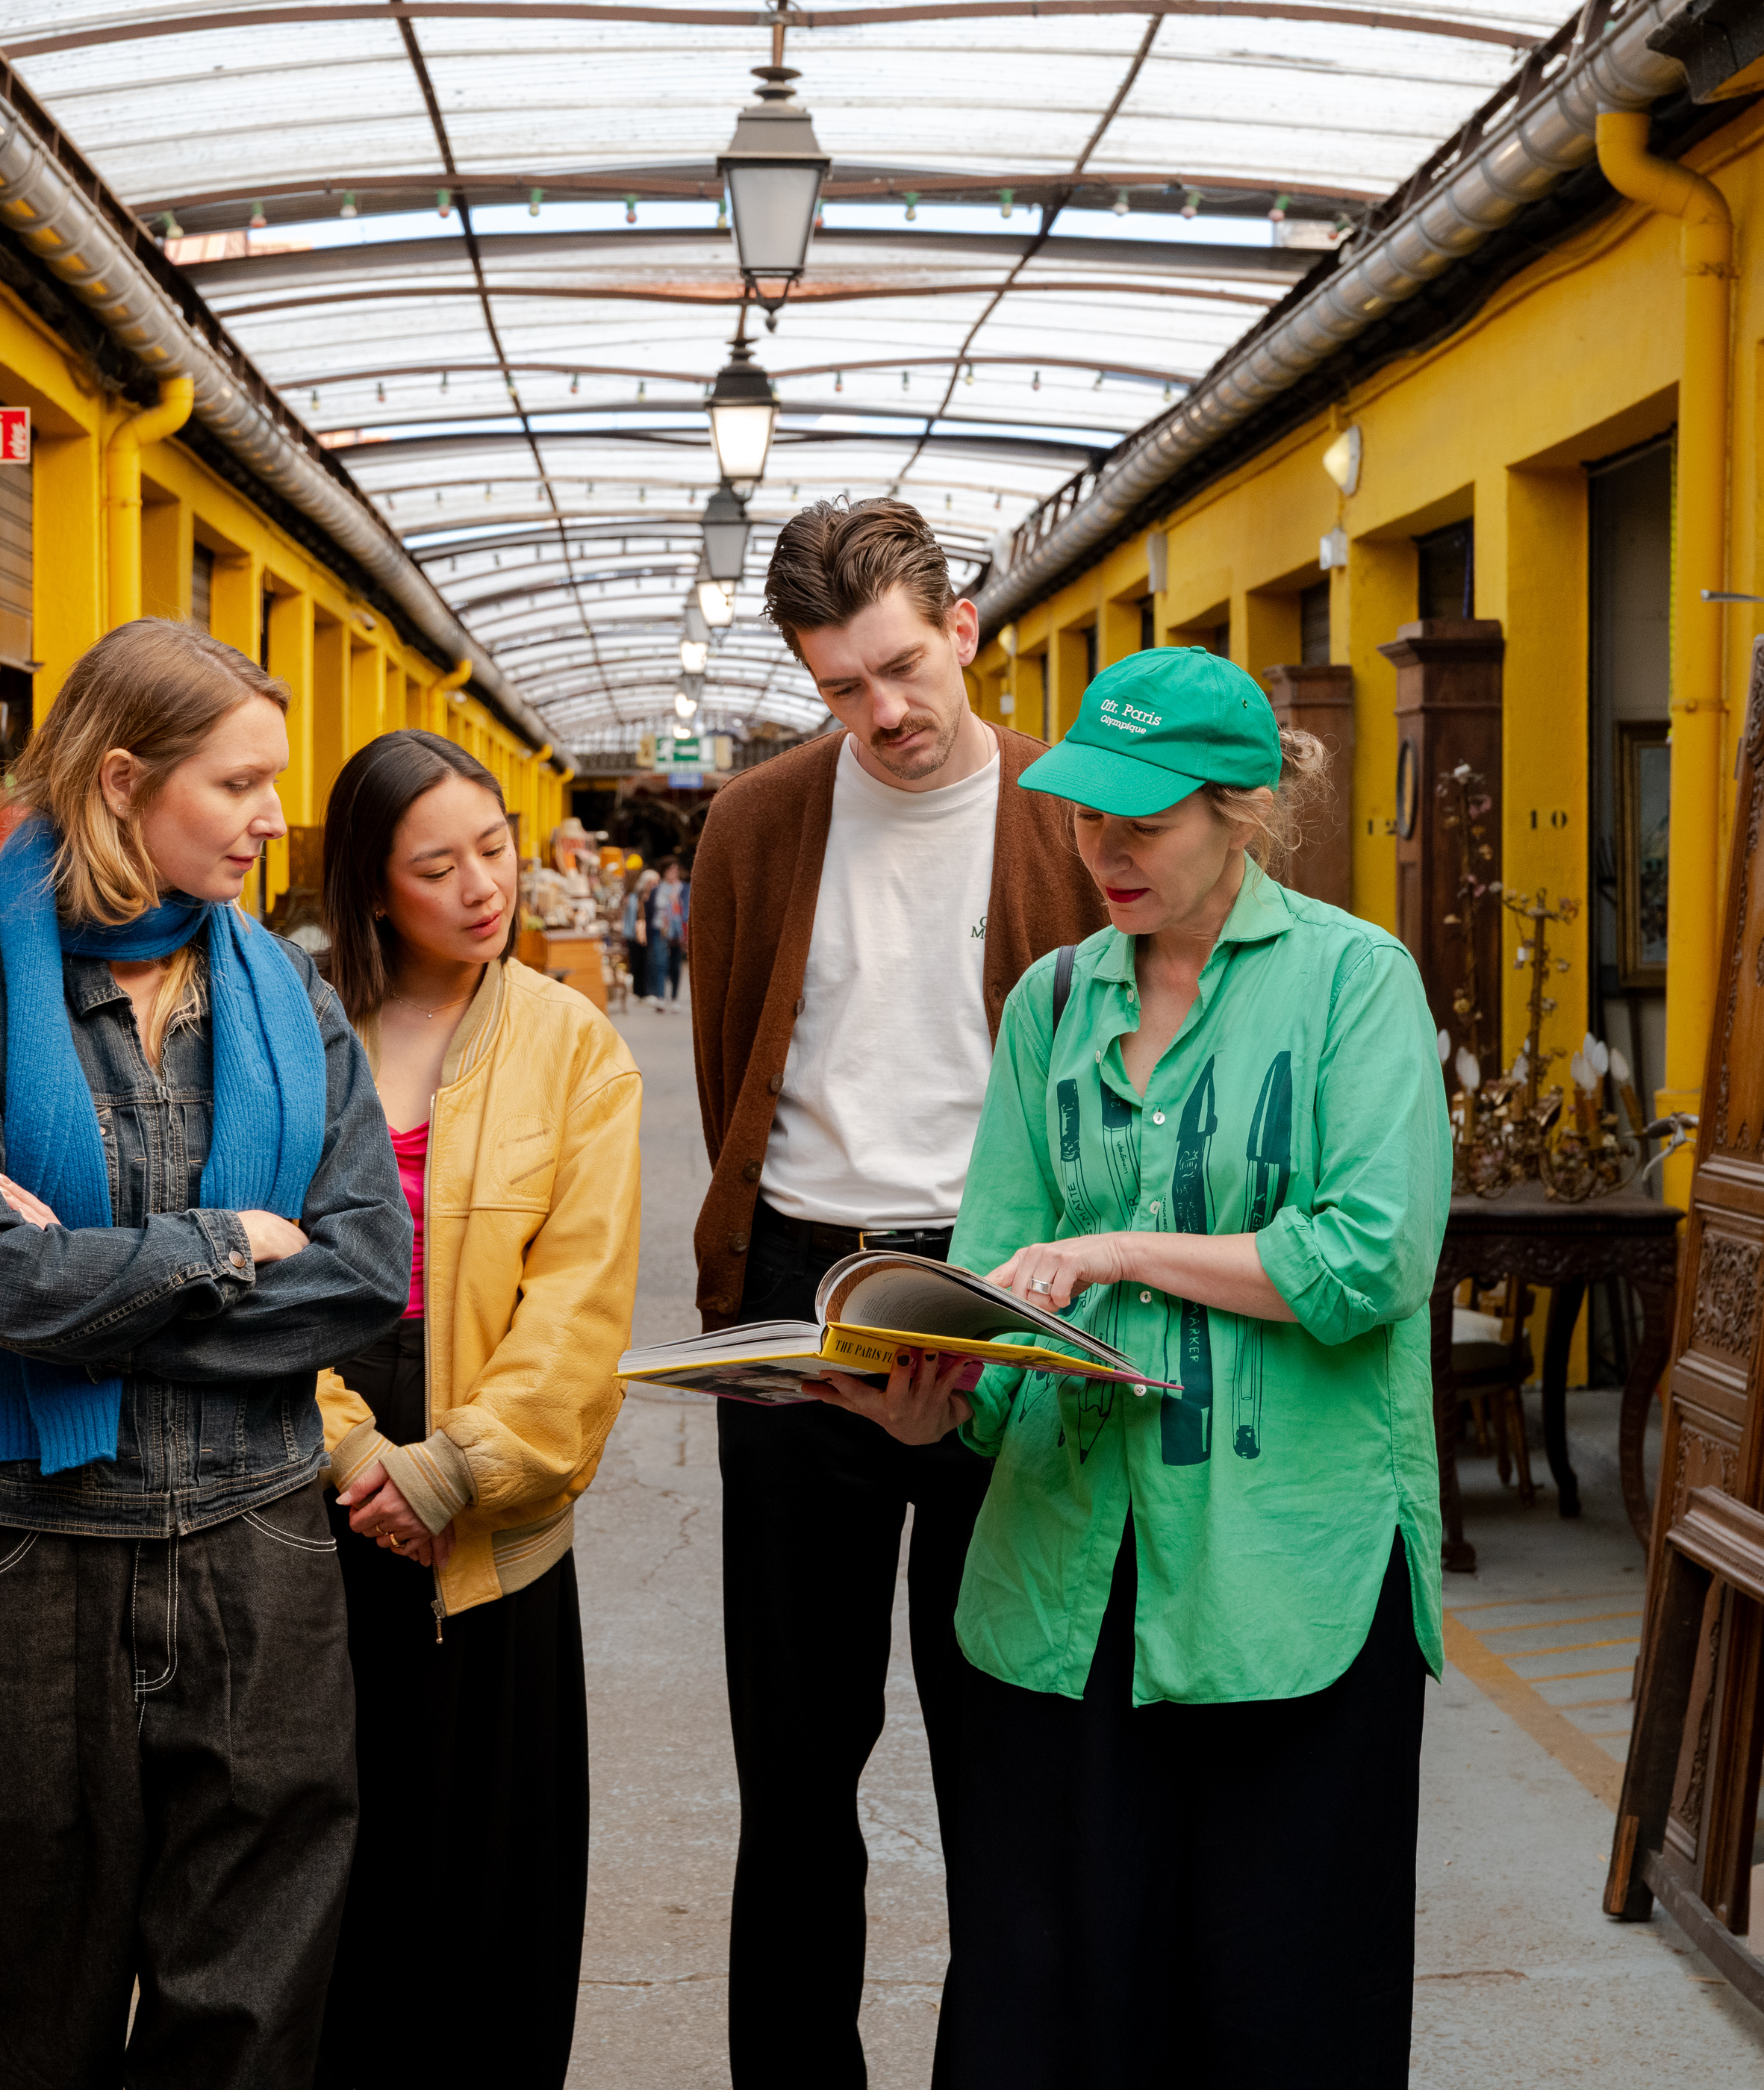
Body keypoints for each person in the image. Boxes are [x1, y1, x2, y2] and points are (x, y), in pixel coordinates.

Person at [816, 646, 1447, 2088]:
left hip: (1291, 1570)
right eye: (1088, 815)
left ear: (1243, 813)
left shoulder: (1356, 983)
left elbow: (1367, 1259)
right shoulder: (1049, 1002)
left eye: (1144, 821)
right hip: (1069, 1572)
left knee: (1278, 1988)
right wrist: (936, 1401)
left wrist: (1120, 1251)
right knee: (1053, 1990)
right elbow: (1002, 1273)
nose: (1105, 848)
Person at [0, 618, 413, 2089]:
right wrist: (226, 1238)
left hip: (257, 1550)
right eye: (238, 784)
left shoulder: (291, 1001)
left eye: (275, 784)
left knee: (245, 2025)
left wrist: (93, 1281)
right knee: (14, 2015)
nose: (272, 819)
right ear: (123, 779)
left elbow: (367, 1271)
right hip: (23, 1555)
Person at [686, 496, 1108, 2089]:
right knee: (795, 1765)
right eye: (842, 689)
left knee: (1014, 1744)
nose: (886, 715)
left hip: (1005, 1292)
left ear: (967, 630)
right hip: (806, 1300)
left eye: (904, 667)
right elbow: (734, 1066)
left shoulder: (1074, 821)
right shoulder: (756, 823)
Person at [306, 728, 642, 2089]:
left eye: (494, 850)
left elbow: (582, 1300)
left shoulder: (572, 1043)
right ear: (374, 889)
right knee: (330, 1876)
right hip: (316, 1467)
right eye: (436, 866)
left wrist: (458, 1468)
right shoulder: (300, 1032)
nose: (483, 886)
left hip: (490, 1495)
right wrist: (343, 1451)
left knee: (490, 1881)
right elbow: (246, 1254)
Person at [626, 867, 666, 1005]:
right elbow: (632, 916)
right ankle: (639, 991)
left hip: (649, 932)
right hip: (636, 933)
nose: (654, 886)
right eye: (651, 883)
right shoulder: (636, 896)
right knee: (637, 962)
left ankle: (649, 991)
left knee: (650, 962)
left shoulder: (656, 897)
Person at [654, 858, 688, 1005]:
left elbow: (686, 911)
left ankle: (674, 997)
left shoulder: (684, 889)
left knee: (675, 965)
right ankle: (661, 996)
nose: (673, 874)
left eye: (675, 871)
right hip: (661, 930)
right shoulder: (658, 889)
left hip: (678, 931)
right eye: (670, 871)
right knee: (661, 963)